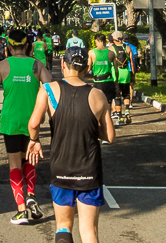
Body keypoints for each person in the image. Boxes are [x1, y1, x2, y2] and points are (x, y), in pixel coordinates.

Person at [27, 47, 114, 243]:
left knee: (63, 226)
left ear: (63, 64)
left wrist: (34, 140)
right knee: (89, 230)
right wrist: (91, 126)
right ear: (86, 68)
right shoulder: (97, 94)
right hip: (89, 171)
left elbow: (33, 123)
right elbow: (110, 135)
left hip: (61, 168)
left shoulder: (48, 90)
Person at [0, 28, 52, 225]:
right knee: (30, 158)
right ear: (27, 45)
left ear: (8, 46)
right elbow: (51, 88)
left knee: (15, 164)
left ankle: (21, 210)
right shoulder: (37, 64)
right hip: (32, 120)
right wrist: (46, 113)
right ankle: (32, 194)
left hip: (10, 121)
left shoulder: (2, 65)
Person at [88, 35, 116, 125]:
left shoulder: (92, 53)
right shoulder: (111, 53)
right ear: (105, 41)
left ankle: (100, 124)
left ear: (96, 41)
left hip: (98, 82)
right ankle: (107, 122)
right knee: (108, 105)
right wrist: (116, 82)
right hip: (109, 81)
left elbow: (88, 68)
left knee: (98, 104)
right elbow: (116, 70)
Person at [109, 31, 134, 125]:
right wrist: (133, 75)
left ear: (114, 39)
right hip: (126, 73)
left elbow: (109, 62)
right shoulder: (127, 48)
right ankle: (127, 111)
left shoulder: (111, 49)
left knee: (117, 95)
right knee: (126, 93)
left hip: (116, 74)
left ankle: (119, 116)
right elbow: (131, 63)